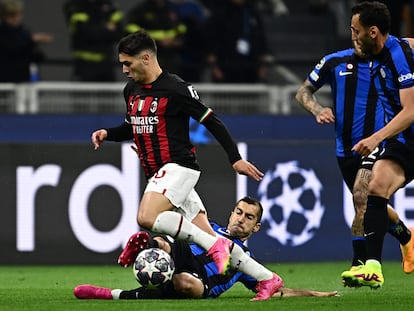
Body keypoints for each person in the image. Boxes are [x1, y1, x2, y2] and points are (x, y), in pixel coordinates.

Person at [91, 30, 282, 301]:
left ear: (146, 58)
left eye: (128, 63)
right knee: (211, 236)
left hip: (179, 168)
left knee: (146, 218)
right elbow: (131, 126)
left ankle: (212, 245)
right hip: (160, 174)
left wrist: (234, 158)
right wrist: (108, 133)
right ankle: (268, 279)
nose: (123, 69)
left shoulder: (176, 89)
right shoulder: (131, 90)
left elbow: (211, 120)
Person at [295, 41, 414, 273]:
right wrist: (317, 110)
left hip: (378, 144)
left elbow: (405, 44)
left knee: (362, 194)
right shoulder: (334, 61)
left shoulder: (386, 59)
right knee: (368, 202)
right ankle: (406, 236)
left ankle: (361, 263)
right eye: (354, 34)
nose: (358, 40)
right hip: (346, 150)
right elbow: (303, 91)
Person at [73, 197, 339, 300]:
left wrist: (315, 294)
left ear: (256, 227)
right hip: (181, 256)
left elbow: (276, 289)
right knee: (169, 243)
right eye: (238, 212)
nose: (240, 219)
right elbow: (179, 202)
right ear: (231, 212)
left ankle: (111, 293)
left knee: (184, 283)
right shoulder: (209, 227)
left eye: (249, 217)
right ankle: (147, 243)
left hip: (202, 282)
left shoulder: (247, 261)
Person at [340, 1, 414, 289]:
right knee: (374, 188)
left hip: (403, 132)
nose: (352, 36)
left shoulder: (398, 59)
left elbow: (410, 112)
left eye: (355, 30)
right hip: (404, 141)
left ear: (372, 32)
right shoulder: (388, 47)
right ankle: (372, 267)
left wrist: (375, 138)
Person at [204, 0, 271, 83]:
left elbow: (260, 41)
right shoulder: (220, 13)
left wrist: (262, 66)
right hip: (225, 69)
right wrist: (214, 68)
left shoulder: (252, 13)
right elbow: (211, 43)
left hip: (250, 70)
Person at [63, 0, 123, 81]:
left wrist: (96, 29)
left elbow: (118, 33)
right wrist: (106, 28)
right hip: (84, 64)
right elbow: (84, 33)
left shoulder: (109, 5)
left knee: (109, 92)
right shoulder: (76, 5)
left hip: (106, 63)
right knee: (83, 92)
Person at [124, 0, 187, 76]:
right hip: (149, 56)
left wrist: (176, 40)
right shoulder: (142, 9)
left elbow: (181, 28)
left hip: (171, 55)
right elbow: (131, 28)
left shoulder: (172, 8)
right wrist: (154, 40)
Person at [0, 0, 53, 83]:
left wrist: (37, 55)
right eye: (11, 16)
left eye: (18, 15)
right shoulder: (3, 32)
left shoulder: (24, 31)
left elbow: (26, 53)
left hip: (23, 80)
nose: (16, 19)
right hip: (5, 80)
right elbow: (11, 49)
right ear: (3, 16)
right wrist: (31, 41)